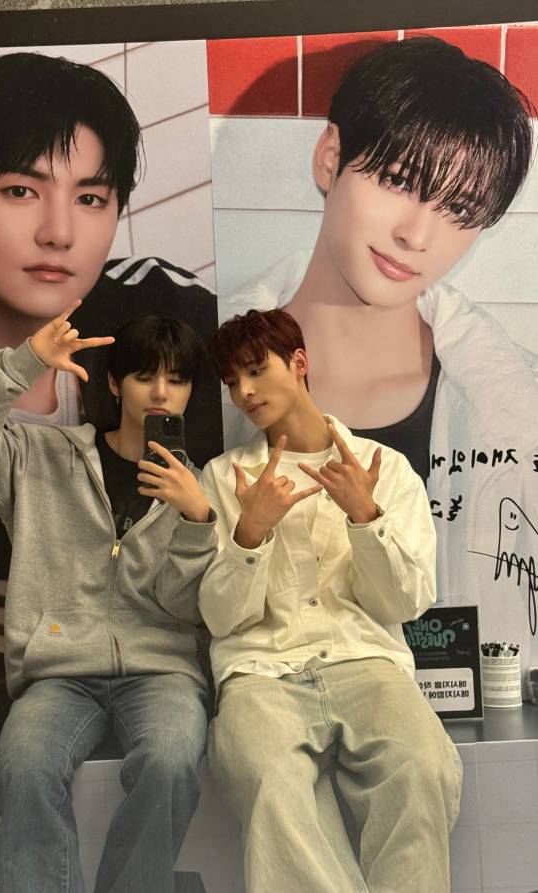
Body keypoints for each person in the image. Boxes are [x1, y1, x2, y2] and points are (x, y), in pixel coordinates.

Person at [0, 51, 220, 746]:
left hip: (170, 694)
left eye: (90, 199)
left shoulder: (176, 313)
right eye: (21, 191)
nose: (60, 233)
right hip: (4, 711)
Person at [220, 36, 538, 674]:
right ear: (330, 157)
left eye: (459, 210)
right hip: (259, 700)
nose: (416, 234)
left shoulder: (512, 403)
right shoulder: (194, 367)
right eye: (397, 181)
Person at [0, 307, 217, 892]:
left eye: (178, 379)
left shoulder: (201, 488)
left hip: (161, 672)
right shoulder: (45, 456)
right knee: (24, 768)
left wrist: (195, 521)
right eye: (145, 376)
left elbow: (188, 608)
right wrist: (25, 362)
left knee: (169, 761)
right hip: (59, 671)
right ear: (114, 383)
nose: (161, 392)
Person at [198, 308, 462, 893]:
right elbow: (220, 617)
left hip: (366, 661)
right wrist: (250, 534)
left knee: (424, 769)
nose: (243, 393)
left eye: (256, 371)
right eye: (232, 381)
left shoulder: (384, 469)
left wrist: (366, 517)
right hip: (260, 672)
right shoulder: (224, 478)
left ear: (299, 363)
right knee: (268, 779)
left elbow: (405, 603)